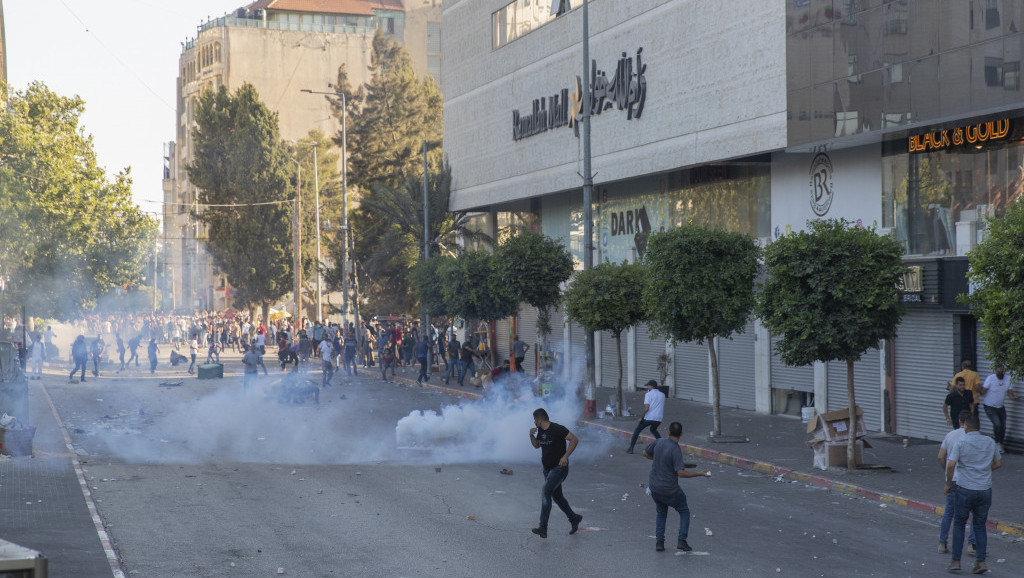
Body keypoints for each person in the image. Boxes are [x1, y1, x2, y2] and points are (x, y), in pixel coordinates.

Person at [945, 414, 1002, 574]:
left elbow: (950, 465)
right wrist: (982, 470)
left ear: (966, 427)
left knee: (959, 524)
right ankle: (980, 562)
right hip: (984, 490)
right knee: (979, 525)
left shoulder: (961, 442)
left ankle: (956, 561)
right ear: (979, 427)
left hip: (965, 488)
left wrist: (949, 484)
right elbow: (998, 463)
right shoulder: (990, 441)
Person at [643, 421, 711, 552]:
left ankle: (659, 542)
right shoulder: (675, 449)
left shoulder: (659, 442)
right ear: (681, 434)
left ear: (668, 432)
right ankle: (682, 540)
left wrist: (658, 459)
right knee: (684, 511)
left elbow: (645, 453)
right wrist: (699, 474)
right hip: (669, 490)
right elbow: (680, 473)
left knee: (661, 513)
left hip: (655, 487)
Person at [528, 408, 583, 538]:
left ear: (540, 420)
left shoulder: (557, 428)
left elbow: (574, 439)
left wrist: (565, 457)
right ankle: (574, 518)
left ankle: (543, 527)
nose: (534, 422)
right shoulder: (541, 430)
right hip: (547, 470)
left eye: (535, 419)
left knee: (546, 492)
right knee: (557, 497)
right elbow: (536, 445)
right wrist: (531, 435)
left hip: (559, 468)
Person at [938, 410, 976, 556]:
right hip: (970, 481)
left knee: (949, 511)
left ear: (959, 421)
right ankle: (972, 545)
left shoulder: (950, 435)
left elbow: (941, 457)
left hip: (953, 479)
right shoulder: (974, 438)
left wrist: (947, 474)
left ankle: (942, 543)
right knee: (974, 513)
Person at [979, 365, 1018, 452]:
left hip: (1000, 407)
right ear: (995, 371)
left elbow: (1010, 393)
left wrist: (1014, 397)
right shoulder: (990, 378)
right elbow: (983, 392)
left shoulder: (1008, 379)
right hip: (989, 406)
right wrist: (977, 387)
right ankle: (997, 443)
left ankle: (1000, 443)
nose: (1000, 373)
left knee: (1003, 426)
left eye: (1002, 372)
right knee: (997, 424)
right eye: (998, 371)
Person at [627, 380, 667, 454]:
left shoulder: (648, 394)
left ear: (651, 386)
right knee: (653, 429)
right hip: (658, 418)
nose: (647, 387)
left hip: (649, 418)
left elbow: (646, 408)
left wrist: (641, 417)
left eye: (648, 386)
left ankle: (631, 448)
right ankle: (663, 445)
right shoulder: (662, 395)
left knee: (637, 431)